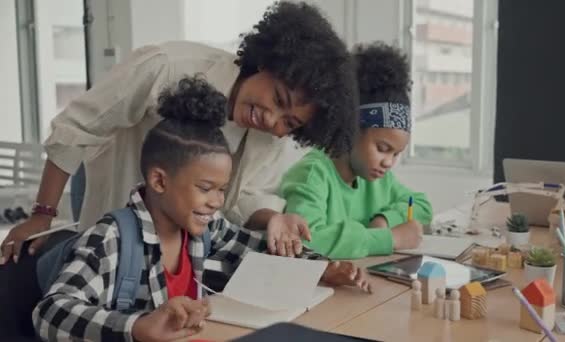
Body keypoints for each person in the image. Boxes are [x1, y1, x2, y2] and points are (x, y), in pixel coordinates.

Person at [0, 1, 357, 263]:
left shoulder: (270, 138)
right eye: (278, 98)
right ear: (266, 63)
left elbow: (240, 200)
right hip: (114, 189)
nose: (272, 119)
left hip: (175, 244)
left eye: (290, 123)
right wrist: (41, 214)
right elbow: (75, 127)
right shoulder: (166, 67)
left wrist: (274, 218)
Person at [32, 77, 371, 342]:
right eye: (205, 189)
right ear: (160, 181)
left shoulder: (208, 229)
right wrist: (136, 327)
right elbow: (50, 311)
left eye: (222, 189)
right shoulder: (111, 238)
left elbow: (260, 250)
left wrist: (322, 268)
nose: (217, 201)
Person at [279, 43, 433, 259]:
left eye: (396, 154)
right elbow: (304, 241)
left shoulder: (380, 180)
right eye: (382, 148)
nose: (388, 162)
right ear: (351, 128)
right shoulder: (312, 173)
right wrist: (390, 238)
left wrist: (384, 220)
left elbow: (422, 205)